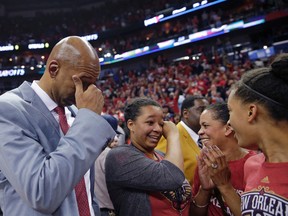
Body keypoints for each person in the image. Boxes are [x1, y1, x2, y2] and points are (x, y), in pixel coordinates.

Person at [0, 36, 116, 215]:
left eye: (93, 84)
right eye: (83, 82)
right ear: (54, 69)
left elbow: (84, 187)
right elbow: (41, 192)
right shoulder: (8, 109)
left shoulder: (77, 114)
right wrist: (89, 121)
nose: (87, 92)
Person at [201, 53, 288, 215]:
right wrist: (225, 187)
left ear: (251, 112)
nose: (228, 123)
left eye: (230, 111)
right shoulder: (252, 165)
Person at [105, 97, 192, 216]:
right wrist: (173, 134)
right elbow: (172, 178)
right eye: (150, 122)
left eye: (161, 124)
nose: (158, 129)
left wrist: (204, 190)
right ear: (131, 125)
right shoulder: (119, 156)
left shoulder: (162, 156)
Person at [190, 102, 255, 216]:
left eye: (205, 125)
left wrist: (224, 186)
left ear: (228, 128)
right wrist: (205, 190)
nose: (200, 132)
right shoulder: (206, 162)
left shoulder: (254, 164)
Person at [156, 95, 209, 186]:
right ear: (185, 113)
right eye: (201, 110)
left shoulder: (206, 136)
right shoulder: (170, 135)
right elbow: (161, 173)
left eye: (208, 110)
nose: (206, 114)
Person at [94, 114, 122, 216]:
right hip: (107, 210)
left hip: (92, 207)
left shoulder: (89, 150)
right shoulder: (108, 154)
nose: (115, 137)